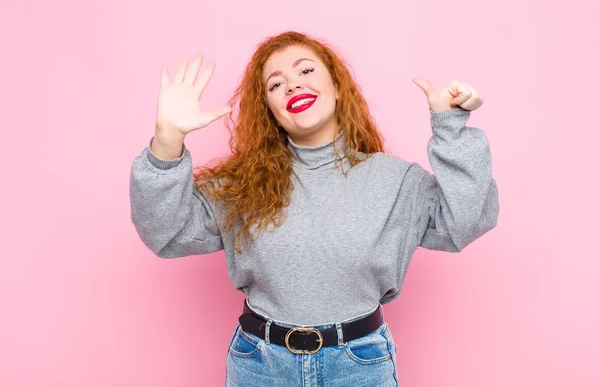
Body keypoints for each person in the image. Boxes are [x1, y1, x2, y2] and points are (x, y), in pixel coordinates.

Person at [129, 31, 498, 386]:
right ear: (269, 110)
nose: (292, 85)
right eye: (276, 84)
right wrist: (167, 140)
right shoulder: (243, 185)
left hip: (359, 366)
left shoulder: (396, 181)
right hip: (260, 366)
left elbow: (464, 221)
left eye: (306, 71)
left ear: (337, 87)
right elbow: (166, 233)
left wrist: (450, 128)